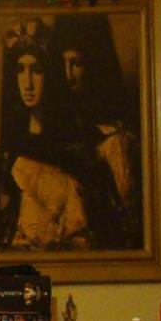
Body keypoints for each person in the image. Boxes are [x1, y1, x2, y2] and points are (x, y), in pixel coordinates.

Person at [0, 19, 91, 251]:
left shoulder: (74, 151)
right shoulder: (5, 153)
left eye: (37, 71)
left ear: (50, 76)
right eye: (20, 70)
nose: (27, 83)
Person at [55, 14, 143, 249]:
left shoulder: (117, 141)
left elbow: (127, 217)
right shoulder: (62, 127)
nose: (68, 75)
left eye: (76, 64)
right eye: (62, 63)